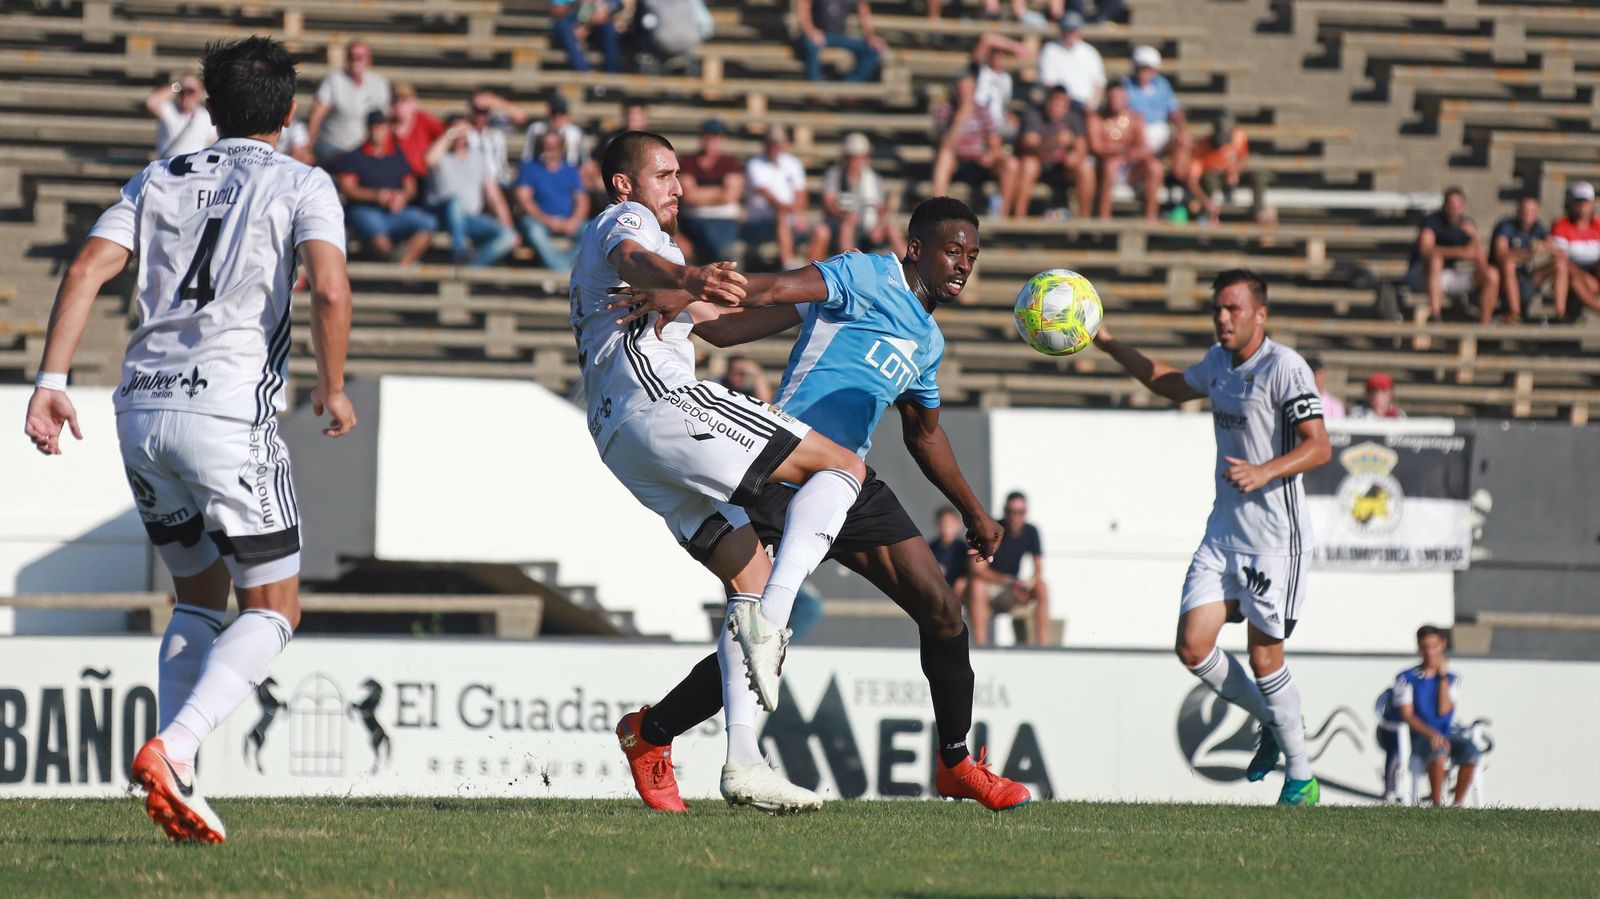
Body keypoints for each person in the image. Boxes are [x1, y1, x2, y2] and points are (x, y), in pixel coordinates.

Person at [23, 36, 354, 843]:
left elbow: (84, 271)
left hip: (139, 408)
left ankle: (181, 780)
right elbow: (331, 287)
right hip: (228, 411)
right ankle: (174, 747)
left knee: (199, 594)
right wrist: (335, 385)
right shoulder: (304, 181)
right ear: (288, 110)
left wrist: (51, 383)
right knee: (275, 607)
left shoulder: (157, 176)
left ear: (209, 105)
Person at [609, 196, 1030, 813]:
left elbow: (925, 435)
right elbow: (775, 290)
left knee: (943, 611)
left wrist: (975, 512)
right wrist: (686, 298)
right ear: (916, 247)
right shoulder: (865, 272)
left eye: (972, 255)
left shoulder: (929, 341)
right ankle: (650, 734)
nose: (963, 264)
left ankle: (956, 762)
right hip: (781, 464)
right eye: (952, 250)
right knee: (760, 623)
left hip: (847, 479)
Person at [571, 130, 868, 812]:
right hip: (661, 404)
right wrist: (684, 275)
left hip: (625, 439)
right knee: (843, 462)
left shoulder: (655, 254)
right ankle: (779, 621)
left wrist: (815, 300)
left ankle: (731, 760)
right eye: (665, 173)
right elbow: (634, 256)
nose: (678, 186)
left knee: (750, 579)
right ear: (625, 183)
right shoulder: (627, 223)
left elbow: (724, 328)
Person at [1093, 269, 1332, 806]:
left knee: (1266, 660)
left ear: (1260, 315)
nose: (1223, 318)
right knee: (1192, 645)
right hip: (1223, 534)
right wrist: (1108, 342)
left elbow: (1320, 447)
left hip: (1275, 541)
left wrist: (1264, 471)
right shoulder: (1220, 363)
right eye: (1218, 309)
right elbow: (1170, 384)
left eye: (1233, 309)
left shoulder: (1285, 368)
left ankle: (1301, 778)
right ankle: (1271, 721)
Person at [1381, 625, 1480, 806]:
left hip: (1444, 732)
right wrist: (1431, 734)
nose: (1429, 652)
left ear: (1442, 645)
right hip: (1419, 735)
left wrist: (1441, 677)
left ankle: (1456, 804)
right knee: (1439, 751)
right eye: (1424, 647)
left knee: (1470, 752)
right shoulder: (1406, 678)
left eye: (1433, 646)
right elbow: (1407, 715)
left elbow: (1444, 710)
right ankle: (1437, 804)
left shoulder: (1451, 678)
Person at [930, 34, 1025, 215]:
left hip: (979, 161)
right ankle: (937, 212)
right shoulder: (945, 111)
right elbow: (946, 144)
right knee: (944, 156)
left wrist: (991, 155)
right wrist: (961, 116)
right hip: (958, 162)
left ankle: (1003, 216)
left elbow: (994, 143)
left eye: (969, 88)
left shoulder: (984, 109)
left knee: (1010, 163)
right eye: (961, 88)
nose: (966, 93)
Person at [336, 110, 437, 266]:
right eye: (374, 127)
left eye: (381, 127)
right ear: (367, 128)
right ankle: (394, 263)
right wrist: (377, 196)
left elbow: (411, 187)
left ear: (387, 128)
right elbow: (348, 188)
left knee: (428, 223)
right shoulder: (355, 156)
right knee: (377, 234)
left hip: (395, 211)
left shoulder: (397, 155)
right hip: (365, 209)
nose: (377, 131)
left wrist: (401, 197)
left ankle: (402, 265)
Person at [427, 116, 519, 267]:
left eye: (465, 131)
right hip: (441, 216)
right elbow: (429, 160)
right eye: (457, 131)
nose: (461, 135)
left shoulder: (479, 159)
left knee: (508, 237)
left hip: (471, 218)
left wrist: (508, 226)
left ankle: (470, 268)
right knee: (455, 202)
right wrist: (450, 134)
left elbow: (493, 196)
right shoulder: (441, 156)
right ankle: (459, 250)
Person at [1404, 187, 1499, 324]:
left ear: (1464, 206)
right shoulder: (1432, 221)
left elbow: (1479, 258)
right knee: (1436, 260)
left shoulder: (1467, 226)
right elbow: (1425, 250)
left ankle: (1484, 326)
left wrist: (1475, 237)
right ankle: (1435, 316)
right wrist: (1461, 252)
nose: (1454, 210)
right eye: (1450, 205)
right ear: (1444, 205)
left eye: (1458, 206)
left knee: (1492, 274)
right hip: (1422, 275)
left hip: (1448, 275)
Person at [967, 491, 1051, 646]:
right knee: (977, 585)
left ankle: (1043, 646)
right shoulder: (994, 530)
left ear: (1025, 513)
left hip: (1012, 589)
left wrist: (1027, 585)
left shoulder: (1030, 532)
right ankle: (982, 646)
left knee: (1042, 587)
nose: (1015, 516)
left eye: (1020, 512)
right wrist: (1010, 581)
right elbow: (977, 569)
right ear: (1005, 511)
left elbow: (1038, 568)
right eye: (1011, 512)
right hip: (992, 588)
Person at [744, 126, 831, 269]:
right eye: (772, 143)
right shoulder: (755, 165)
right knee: (781, 215)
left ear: (785, 144)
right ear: (765, 144)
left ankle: (810, 272)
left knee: (822, 231)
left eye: (779, 143)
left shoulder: (793, 163)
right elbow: (770, 198)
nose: (776, 147)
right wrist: (795, 213)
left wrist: (797, 214)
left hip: (789, 221)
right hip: (762, 223)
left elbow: (802, 197)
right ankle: (788, 266)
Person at [1011, 86, 1094, 219]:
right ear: (1048, 101)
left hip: (1062, 169)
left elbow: (1082, 147)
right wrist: (1054, 141)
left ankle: (1084, 222)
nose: (1058, 108)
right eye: (1055, 103)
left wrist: (1075, 155)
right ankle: (1018, 218)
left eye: (1063, 105)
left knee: (1086, 166)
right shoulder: (1032, 113)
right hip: (1038, 166)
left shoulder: (1073, 117)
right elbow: (1029, 144)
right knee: (1029, 164)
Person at [514, 129, 589, 269]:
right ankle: (562, 272)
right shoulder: (529, 167)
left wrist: (574, 221)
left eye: (554, 145)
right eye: (545, 145)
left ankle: (560, 266)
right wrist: (547, 220)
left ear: (561, 148)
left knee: (592, 232)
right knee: (533, 229)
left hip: (568, 221)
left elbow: (582, 200)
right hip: (539, 221)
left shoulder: (571, 170)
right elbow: (524, 201)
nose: (549, 149)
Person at [308, 40, 391, 167]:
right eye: (351, 56)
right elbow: (316, 116)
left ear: (369, 60)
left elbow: (384, 122)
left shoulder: (379, 84)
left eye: (360, 56)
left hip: (365, 148)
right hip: (334, 144)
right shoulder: (333, 81)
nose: (356, 60)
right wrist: (309, 148)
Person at [1124, 46, 1190, 201]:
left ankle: (1176, 182)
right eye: (1141, 68)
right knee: (1151, 162)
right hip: (1137, 132)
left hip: (1160, 131)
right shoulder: (1126, 85)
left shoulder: (1162, 85)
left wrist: (1182, 130)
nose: (1144, 73)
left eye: (1148, 69)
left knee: (1184, 142)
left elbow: (1174, 111)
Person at [822, 132, 904, 256]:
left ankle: (908, 268)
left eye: (860, 156)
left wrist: (879, 225)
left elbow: (880, 208)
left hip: (867, 226)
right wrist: (844, 215)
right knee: (847, 225)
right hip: (840, 225)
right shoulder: (835, 175)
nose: (856, 161)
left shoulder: (873, 178)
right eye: (853, 157)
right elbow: (828, 203)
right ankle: (848, 268)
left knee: (892, 228)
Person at [1087, 81, 1160, 220]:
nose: (1115, 101)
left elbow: (1144, 146)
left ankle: (1151, 217)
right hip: (1104, 167)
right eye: (1112, 97)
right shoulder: (1096, 119)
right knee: (1111, 165)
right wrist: (1119, 152)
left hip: (1130, 167)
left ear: (1126, 98)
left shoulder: (1136, 118)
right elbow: (1096, 147)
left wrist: (1130, 155)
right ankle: (1104, 217)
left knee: (1155, 167)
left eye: (1119, 97)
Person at [678, 118, 746, 265]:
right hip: (695, 220)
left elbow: (730, 195)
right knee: (716, 245)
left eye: (716, 137)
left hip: (725, 220)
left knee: (719, 245)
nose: (712, 141)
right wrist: (719, 192)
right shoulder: (687, 161)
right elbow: (689, 196)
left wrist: (700, 193)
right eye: (708, 136)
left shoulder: (730, 162)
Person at [1183, 113, 1266, 223]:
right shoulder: (1201, 148)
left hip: (1232, 175)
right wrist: (1205, 201)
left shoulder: (1239, 136)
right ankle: (1209, 214)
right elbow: (1192, 180)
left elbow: (1242, 157)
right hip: (1214, 179)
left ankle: (1258, 213)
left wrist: (1234, 172)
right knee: (1209, 178)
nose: (1222, 147)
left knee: (1258, 175)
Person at [1489, 196, 1550, 324]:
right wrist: (1528, 252)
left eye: (1532, 211)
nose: (1528, 214)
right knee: (1509, 263)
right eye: (1525, 210)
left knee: (1560, 264)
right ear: (1518, 211)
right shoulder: (1505, 226)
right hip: (1503, 279)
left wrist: (1544, 246)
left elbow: (1552, 246)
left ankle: (1561, 316)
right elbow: (1501, 254)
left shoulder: (1538, 227)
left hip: (1527, 277)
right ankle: (1515, 313)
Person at [795, 0, 886, 84]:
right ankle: (815, 90)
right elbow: (803, 6)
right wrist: (811, 31)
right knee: (810, 46)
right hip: (817, 35)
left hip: (840, 36)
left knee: (873, 49)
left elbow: (864, 11)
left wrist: (870, 36)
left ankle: (849, 86)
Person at [1550, 181, 1600, 322]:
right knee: (1574, 279)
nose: (1581, 207)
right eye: (1578, 202)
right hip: (1572, 273)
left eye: (1585, 202)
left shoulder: (1598, 226)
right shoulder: (1561, 226)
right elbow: (1561, 258)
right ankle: (1560, 314)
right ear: (1571, 204)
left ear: (1592, 205)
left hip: (1594, 274)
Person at [1036, 12, 1105, 111]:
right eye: (1067, 29)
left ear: (1080, 31)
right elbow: (1048, 84)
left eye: (1073, 29)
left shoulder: (1090, 53)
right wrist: (1062, 105)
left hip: (1084, 106)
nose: (1070, 33)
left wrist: (1091, 106)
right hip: (1059, 107)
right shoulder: (1050, 50)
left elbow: (1099, 84)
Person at [466, 91, 530, 188]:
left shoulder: (495, 127)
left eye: (485, 111)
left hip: (499, 182)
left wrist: (495, 101)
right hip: (474, 183)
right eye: (477, 111)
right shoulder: (464, 130)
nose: (481, 116)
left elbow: (521, 117)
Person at [145, 74, 217, 159]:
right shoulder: (169, 110)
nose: (185, 96)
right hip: (168, 165)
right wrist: (177, 85)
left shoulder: (206, 116)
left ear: (199, 93)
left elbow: (213, 142)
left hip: (194, 166)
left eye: (190, 91)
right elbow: (151, 102)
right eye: (182, 91)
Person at [389, 83, 445, 180]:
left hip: (421, 177)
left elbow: (444, 135)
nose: (399, 105)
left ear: (414, 102)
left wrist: (432, 155)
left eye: (404, 101)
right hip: (395, 180)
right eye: (395, 101)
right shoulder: (385, 125)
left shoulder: (424, 120)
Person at [552, 0, 622, 74]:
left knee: (609, 29)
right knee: (565, 27)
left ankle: (612, 75)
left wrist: (589, 22)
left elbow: (616, 5)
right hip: (569, 26)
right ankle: (585, 72)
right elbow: (557, 9)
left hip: (593, 27)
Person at [929, 507, 976, 607]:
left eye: (949, 525)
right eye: (943, 524)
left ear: (958, 525)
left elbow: (968, 573)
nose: (946, 528)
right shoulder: (932, 547)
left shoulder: (963, 548)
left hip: (958, 592)